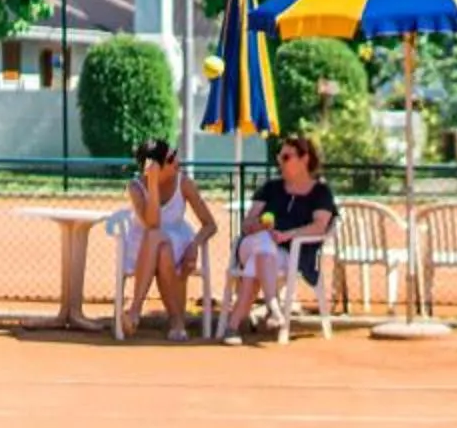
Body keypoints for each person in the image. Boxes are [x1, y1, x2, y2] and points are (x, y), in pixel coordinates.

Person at [219, 132, 339, 345]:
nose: (279, 161)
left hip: (288, 254)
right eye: (279, 156)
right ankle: (273, 304)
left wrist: (286, 235)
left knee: (258, 261)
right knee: (263, 242)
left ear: (305, 159)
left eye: (286, 157)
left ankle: (232, 326)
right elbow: (247, 225)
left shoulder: (321, 192)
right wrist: (261, 227)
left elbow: (319, 226)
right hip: (251, 245)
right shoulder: (270, 188)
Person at [120, 137, 219, 341]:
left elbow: (210, 224)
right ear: (155, 165)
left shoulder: (184, 183)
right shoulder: (135, 187)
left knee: (162, 245)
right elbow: (152, 223)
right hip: (141, 249)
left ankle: (135, 311)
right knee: (157, 239)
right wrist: (153, 183)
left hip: (178, 244)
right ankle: (176, 322)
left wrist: (194, 245)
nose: (178, 160)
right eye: (172, 157)